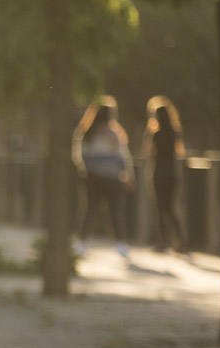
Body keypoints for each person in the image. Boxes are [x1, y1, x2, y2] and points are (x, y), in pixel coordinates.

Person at [73, 96, 133, 258]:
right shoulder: (115, 133)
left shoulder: (87, 131)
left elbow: (80, 154)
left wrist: (86, 170)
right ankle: (121, 244)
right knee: (115, 211)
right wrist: (128, 175)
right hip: (113, 178)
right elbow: (123, 156)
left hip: (92, 177)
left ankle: (81, 243)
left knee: (90, 210)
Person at [142, 96, 188, 253]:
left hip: (159, 173)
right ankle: (180, 241)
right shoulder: (175, 132)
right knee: (170, 208)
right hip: (172, 173)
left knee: (160, 208)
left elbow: (149, 152)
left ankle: (163, 242)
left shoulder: (156, 134)